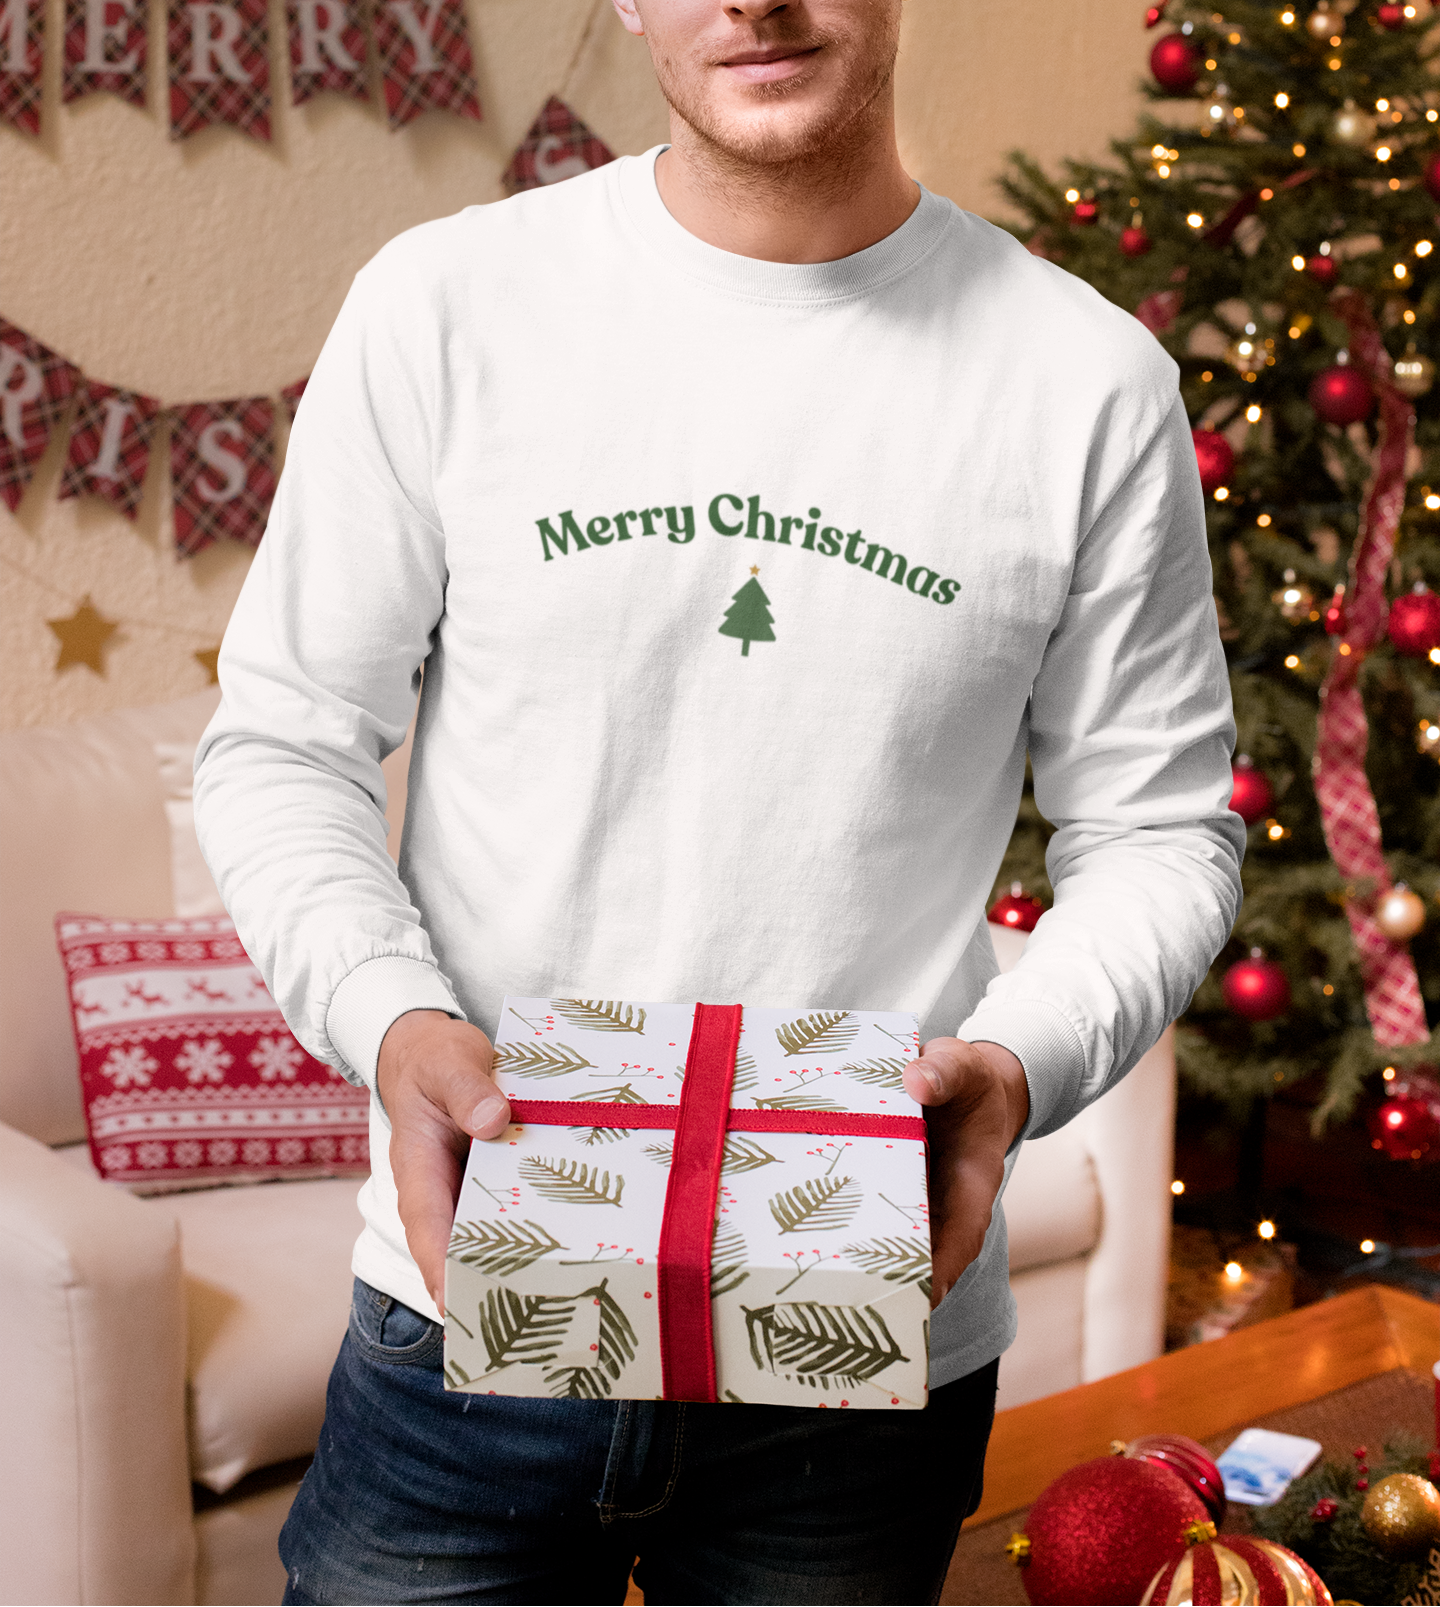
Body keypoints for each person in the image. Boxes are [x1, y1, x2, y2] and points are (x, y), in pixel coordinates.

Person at [192, 0, 1244, 1601]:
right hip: (466, 1310)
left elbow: (1163, 832)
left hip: (863, 1344)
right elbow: (283, 744)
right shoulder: (445, 309)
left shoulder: (1086, 382)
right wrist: (392, 1022)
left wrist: (1018, 1068)